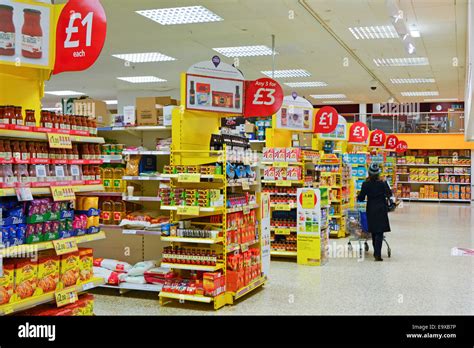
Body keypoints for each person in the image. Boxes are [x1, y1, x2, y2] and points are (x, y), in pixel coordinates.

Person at [357, 163, 392, 261]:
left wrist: (358, 196)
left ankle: (376, 252)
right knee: (379, 232)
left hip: (371, 208)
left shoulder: (366, 184)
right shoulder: (383, 183)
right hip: (381, 208)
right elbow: (389, 194)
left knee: (373, 231)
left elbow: (361, 197)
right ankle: (378, 254)